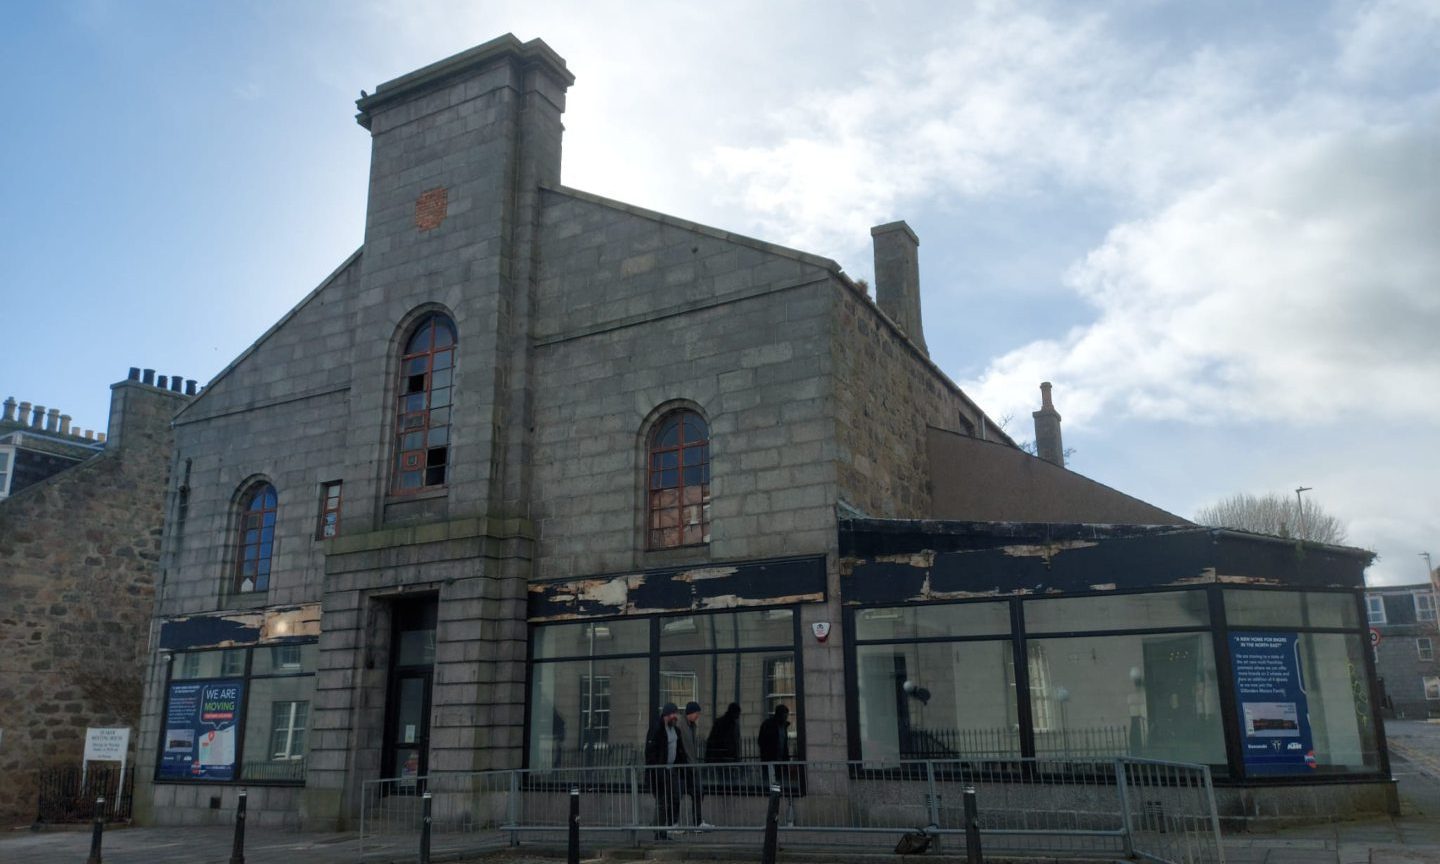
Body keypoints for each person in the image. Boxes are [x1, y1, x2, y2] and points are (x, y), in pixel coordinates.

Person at [644, 703, 685, 837]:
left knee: (675, 797)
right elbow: (650, 752)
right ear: (666, 715)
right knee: (662, 801)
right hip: (659, 770)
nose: (675, 717)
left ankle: (665, 826)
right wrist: (656, 769)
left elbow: (678, 750)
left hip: (671, 769)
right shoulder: (657, 729)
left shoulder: (675, 730)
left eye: (676, 714)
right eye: (673, 714)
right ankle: (659, 831)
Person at [677, 701, 712, 829]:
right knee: (676, 796)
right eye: (697, 713)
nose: (698, 716)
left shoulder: (692, 726)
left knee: (698, 793)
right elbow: (684, 748)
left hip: (691, 766)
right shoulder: (681, 725)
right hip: (683, 767)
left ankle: (697, 822)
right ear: (690, 713)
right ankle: (673, 823)